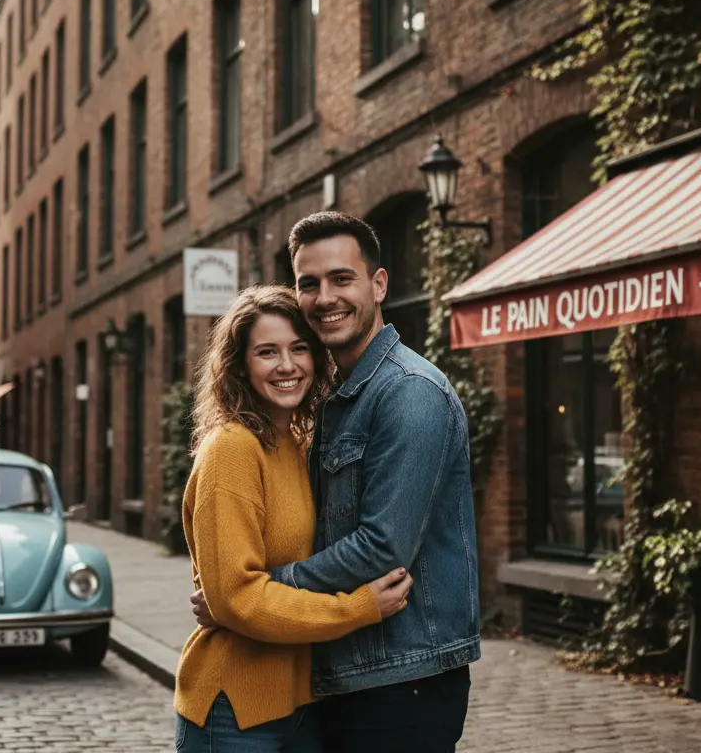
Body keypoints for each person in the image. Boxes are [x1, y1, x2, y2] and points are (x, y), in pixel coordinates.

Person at [191, 212, 481, 752]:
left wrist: (254, 593)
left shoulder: (409, 393)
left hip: (401, 678)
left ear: (378, 284)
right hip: (342, 679)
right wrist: (236, 596)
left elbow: (382, 545)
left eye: (342, 279)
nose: (325, 297)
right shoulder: (328, 409)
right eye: (309, 283)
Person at [174, 284, 414, 752]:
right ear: (240, 365)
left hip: (302, 703)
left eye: (299, 348)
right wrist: (358, 609)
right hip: (235, 709)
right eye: (267, 351)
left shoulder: (298, 442)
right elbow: (239, 597)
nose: (287, 366)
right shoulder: (232, 450)